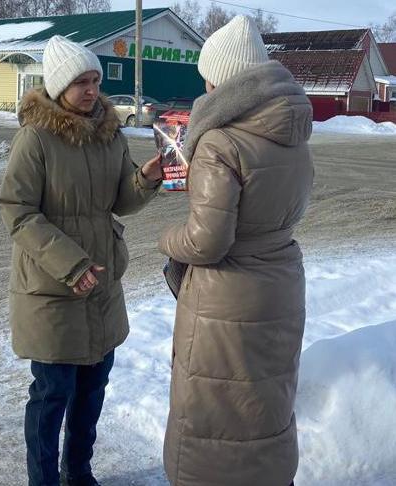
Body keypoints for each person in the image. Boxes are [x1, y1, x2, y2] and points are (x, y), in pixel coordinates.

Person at [0, 35, 162, 486]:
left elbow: (118, 202)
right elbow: (18, 211)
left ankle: (79, 472)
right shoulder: (36, 139)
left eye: (94, 80)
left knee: (92, 391)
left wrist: (143, 180)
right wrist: (72, 265)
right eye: (80, 83)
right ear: (57, 87)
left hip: (102, 285)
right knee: (52, 394)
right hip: (54, 288)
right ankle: (43, 480)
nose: (91, 90)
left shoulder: (110, 135)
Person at [158, 15, 313, 486]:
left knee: (212, 409)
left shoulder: (221, 142)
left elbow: (207, 241)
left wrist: (165, 237)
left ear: (218, 78)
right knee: (265, 399)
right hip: (280, 284)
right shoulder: (293, 136)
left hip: (225, 295)